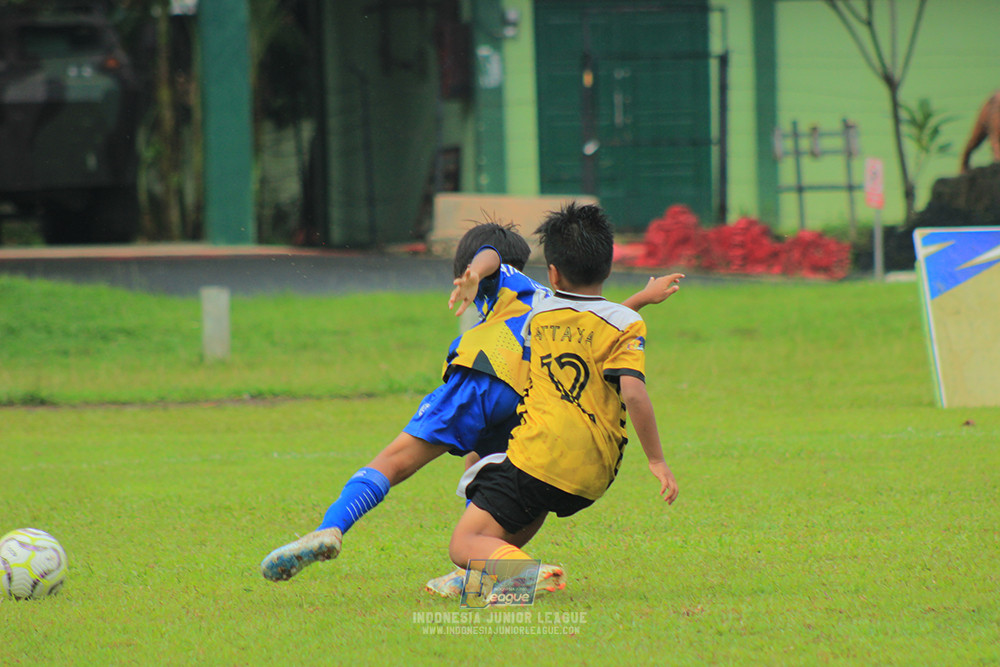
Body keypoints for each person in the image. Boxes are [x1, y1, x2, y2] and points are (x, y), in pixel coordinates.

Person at [259, 218, 681, 587]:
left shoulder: (510, 278)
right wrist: (641, 299)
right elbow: (596, 326)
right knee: (490, 470)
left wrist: (474, 272)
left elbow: (491, 252)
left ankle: (330, 528)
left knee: (395, 460)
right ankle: (480, 573)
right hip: (528, 398)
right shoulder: (553, 301)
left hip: (485, 375)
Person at [446, 203, 679, 600]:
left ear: (552, 273)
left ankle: (523, 572)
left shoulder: (538, 313)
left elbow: (496, 259)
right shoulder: (626, 323)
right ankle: (490, 578)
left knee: (463, 543)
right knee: (522, 504)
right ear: (608, 266)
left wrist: (475, 273)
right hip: (591, 474)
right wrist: (656, 460)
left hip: (540, 456)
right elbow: (625, 376)